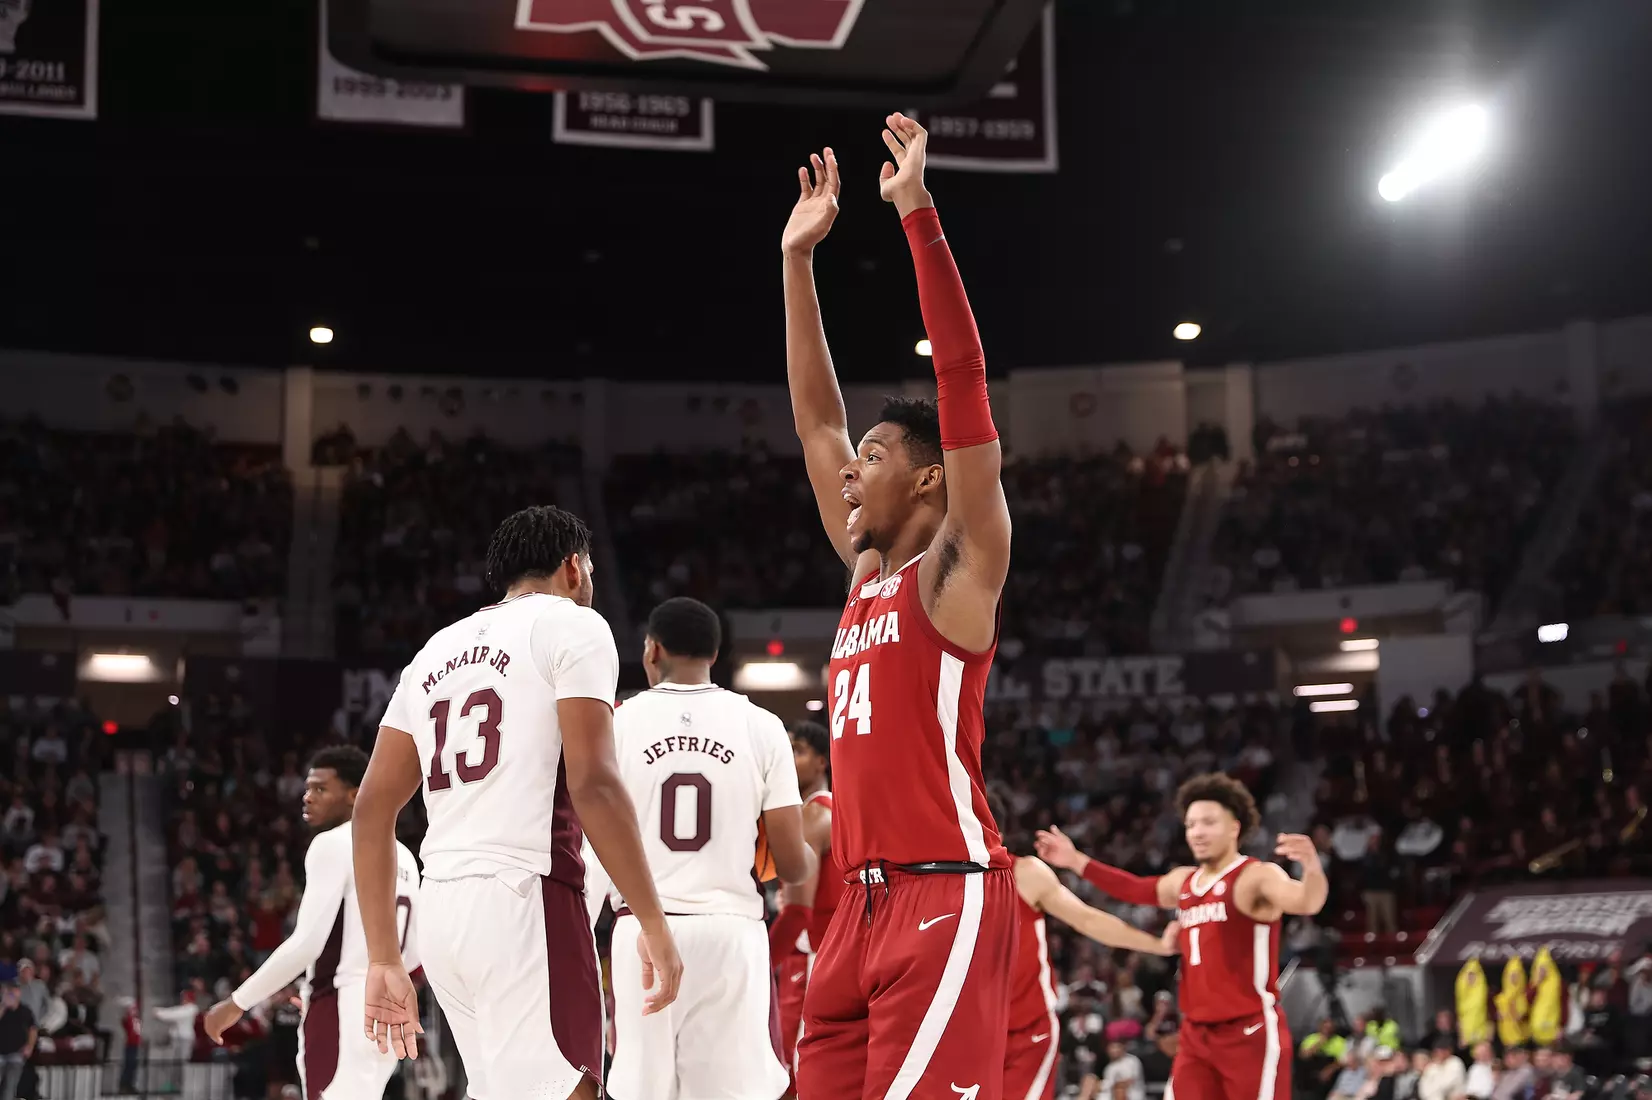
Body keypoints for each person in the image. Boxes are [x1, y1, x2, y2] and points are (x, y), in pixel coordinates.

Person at [782, 113, 1018, 1099]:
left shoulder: (955, 570)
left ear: (927, 483)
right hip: (854, 908)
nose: (846, 476)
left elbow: (960, 379)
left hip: (943, 891)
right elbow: (816, 417)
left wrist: (914, 212)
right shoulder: (861, 576)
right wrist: (796, 263)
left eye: (871, 462)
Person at [352, 505, 682, 1100]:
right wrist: (652, 921)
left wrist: (384, 957)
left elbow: (372, 810)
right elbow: (595, 785)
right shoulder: (575, 625)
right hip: (526, 896)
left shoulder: (433, 651)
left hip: (444, 907)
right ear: (575, 567)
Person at [586, 597, 817, 1100]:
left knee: (641, 1092)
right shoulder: (762, 725)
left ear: (652, 651)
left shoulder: (617, 724)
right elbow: (794, 865)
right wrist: (808, 852)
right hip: (730, 932)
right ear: (716, 654)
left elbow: (593, 837)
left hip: (644, 931)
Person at [1037, 773, 1329, 1100]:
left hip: (1248, 1032)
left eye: (1208, 822)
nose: (1197, 833)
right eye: (1191, 825)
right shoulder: (1184, 882)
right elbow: (1134, 888)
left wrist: (1312, 866)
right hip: (1195, 1033)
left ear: (1234, 827)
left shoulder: (1255, 876)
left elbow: (1307, 901)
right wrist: (1075, 861)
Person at [203, 746, 420, 1100]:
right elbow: (414, 952)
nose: (307, 797)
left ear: (355, 794)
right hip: (388, 1010)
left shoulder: (332, 844)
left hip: (341, 1007)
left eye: (320, 788)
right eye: (307, 787)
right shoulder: (405, 854)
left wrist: (236, 1003)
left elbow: (306, 943)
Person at [986, 789, 1172, 1100]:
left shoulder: (1024, 873)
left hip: (1025, 1032)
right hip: (965, 1031)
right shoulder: (935, 883)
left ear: (996, 830)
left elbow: (1088, 920)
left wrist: (1158, 946)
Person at [772, 719, 840, 1078]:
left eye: (797, 750)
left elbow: (799, 912)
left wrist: (761, 962)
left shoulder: (814, 815)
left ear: (822, 761)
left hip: (814, 955)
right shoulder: (822, 811)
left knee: (793, 1071)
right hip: (813, 954)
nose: (788, 758)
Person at [0, 984, 33, 1100]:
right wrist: (4, 1006)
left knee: (9, 1086)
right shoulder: (2, 1008)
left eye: (14, 992)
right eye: (9, 992)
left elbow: (33, 1029)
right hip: (0, 1053)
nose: (12, 995)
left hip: (16, 1054)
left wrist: (30, 1046)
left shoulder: (25, 1010)